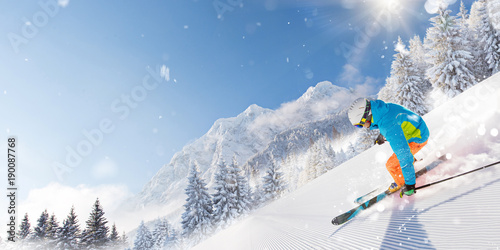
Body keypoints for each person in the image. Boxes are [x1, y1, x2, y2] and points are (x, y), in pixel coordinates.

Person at [347, 98, 429, 197]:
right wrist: (382, 135)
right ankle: (412, 164)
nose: (363, 127)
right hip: (417, 129)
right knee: (400, 155)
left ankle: (402, 183)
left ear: (367, 116)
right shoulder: (383, 109)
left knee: (391, 165)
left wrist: (410, 184)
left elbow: (403, 153)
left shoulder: (388, 126)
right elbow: (393, 119)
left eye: (360, 124)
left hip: (418, 137)